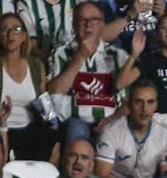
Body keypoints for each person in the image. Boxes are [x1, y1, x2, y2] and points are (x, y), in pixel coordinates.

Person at [0, 12, 56, 162]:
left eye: (16, 29)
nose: (10, 34)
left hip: (28, 129)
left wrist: (53, 124)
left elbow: (43, 101)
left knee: (53, 139)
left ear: (24, 36)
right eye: (4, 30)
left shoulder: (36, 65)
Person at [46, 0, 129, 142]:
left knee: (114, 133)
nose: (88, 24)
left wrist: (111, 120)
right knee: (77, 129)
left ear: (102, 24)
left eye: (94, 19)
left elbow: (128, 101)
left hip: (110, 121)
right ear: (73, 24)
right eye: (82, 20)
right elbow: (55, 90)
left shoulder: (118, 55)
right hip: (75, 121)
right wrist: (80, 56)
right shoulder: (60, 53)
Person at [94, 79, 167, 178]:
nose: (144, 109)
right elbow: (101, 175)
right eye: (138, 102)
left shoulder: (166, 135)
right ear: (129, 104)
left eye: (150, 102)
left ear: (156, 105)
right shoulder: (111, 131)